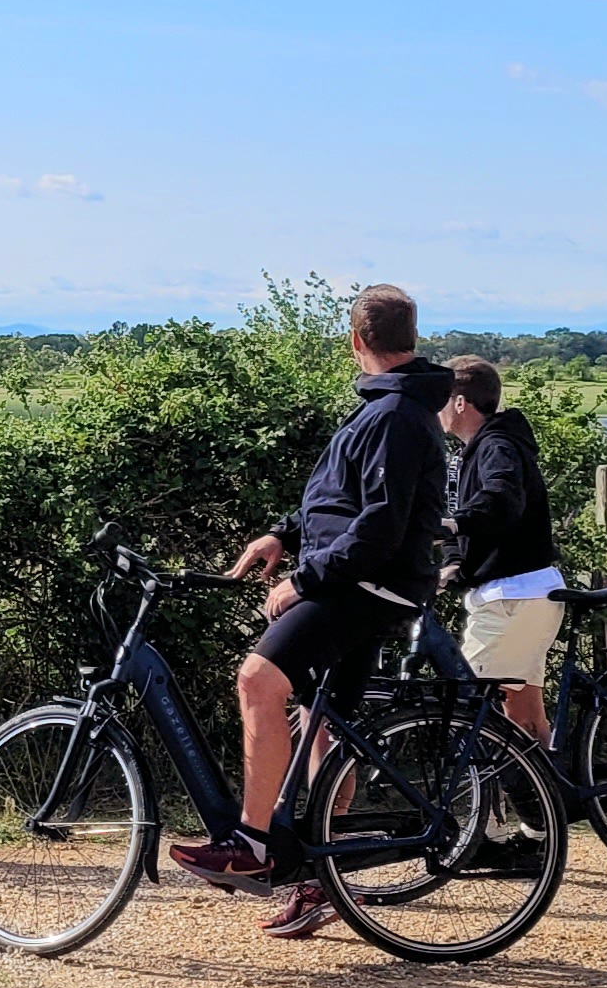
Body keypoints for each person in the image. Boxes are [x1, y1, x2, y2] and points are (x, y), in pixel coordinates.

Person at [171, 284, 453, 938]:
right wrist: (285, 535)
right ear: (406, 337)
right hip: (364, 580)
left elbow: (378, 528)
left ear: (356, 341)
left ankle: (250, 842)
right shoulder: (392, 406)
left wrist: (305, 578)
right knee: (321, 727)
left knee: (256, 680)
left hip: (367, 584)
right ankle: (316, 879)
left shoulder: (391, 415)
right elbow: (336, 500)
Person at [440, 358, 562, 744]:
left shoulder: (496, 447)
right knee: (523, 711)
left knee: (472, 711)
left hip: (512, 596)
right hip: (527, 592)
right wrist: (453, 562)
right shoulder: (477, 450)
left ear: (461, 403)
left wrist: (457, 524)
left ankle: (494, 804)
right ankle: (553, 800)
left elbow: (501, 498)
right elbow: (469, 519)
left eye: (441, 399)